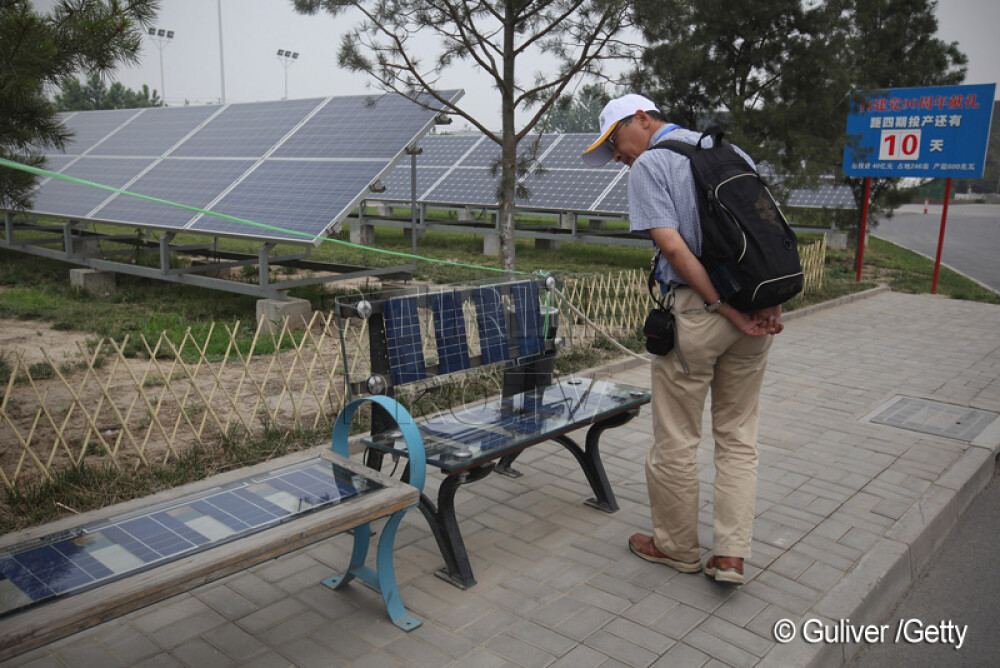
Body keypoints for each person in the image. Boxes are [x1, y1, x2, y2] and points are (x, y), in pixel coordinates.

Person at [582, 94, 783, 584]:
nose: (616, 156)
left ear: (644, 119)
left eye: (615, 141)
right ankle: (731, 554)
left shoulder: (653, 164)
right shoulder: (735, 155)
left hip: (700, 313)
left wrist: (722, 307)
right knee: (738, 438)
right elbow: (769, 233)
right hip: (756, 314)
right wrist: (766, 301)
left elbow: (671, 245)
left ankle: (676, 547)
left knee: (676, 438)